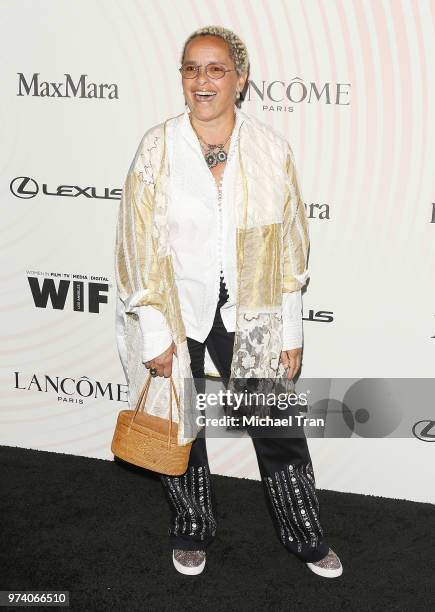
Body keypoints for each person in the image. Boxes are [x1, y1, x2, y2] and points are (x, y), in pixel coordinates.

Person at [114, 25, 342, 578]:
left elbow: (290, 245)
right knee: (180, 424)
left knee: (277, 426)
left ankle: (304, 533)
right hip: (175, 308)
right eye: (192, 68)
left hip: (252, 308)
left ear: (240, 80)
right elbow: (135, 243)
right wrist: (153, 328)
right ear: (182, 79)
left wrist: (291, 330)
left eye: (216, 69)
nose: (202, 80)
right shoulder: (157, 148)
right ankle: (192, 527)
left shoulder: (270, 148)